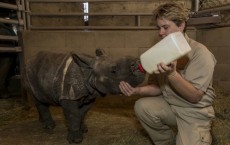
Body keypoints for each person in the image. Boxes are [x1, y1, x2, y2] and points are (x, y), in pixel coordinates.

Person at [119, 2, 216, 145]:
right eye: (159, 28)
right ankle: (167, 142)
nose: (160, 32)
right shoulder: (160, 52)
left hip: (194, 112)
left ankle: (199, 133)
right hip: (171, 106)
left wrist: (172, 75)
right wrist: (136, 90)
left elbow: (195, 96)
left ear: (181, 26)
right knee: (142, 107)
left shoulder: (200, 53)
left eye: (165, 27)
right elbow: (158, 87)